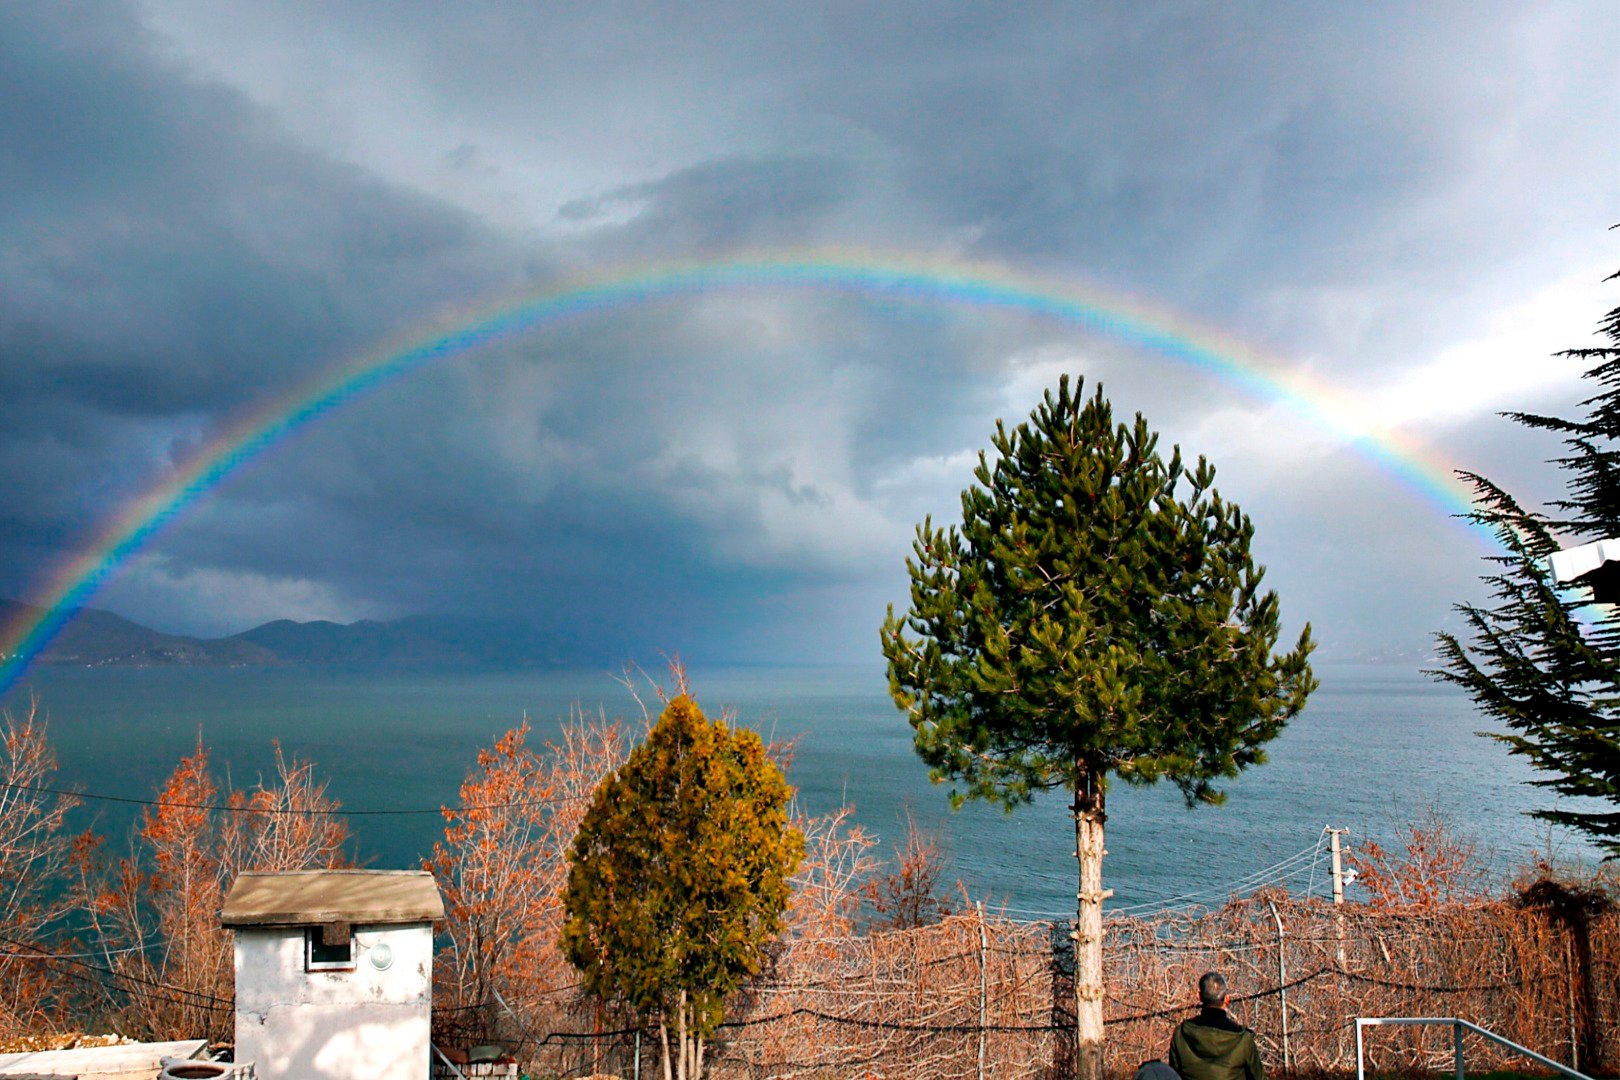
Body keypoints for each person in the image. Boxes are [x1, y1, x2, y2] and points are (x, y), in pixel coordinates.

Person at [1166, 971, 1264, 1080]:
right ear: (1226, 999)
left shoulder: (1181, 1035)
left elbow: (1173, 1076)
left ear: (1198, 996)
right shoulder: (1243, 1039)